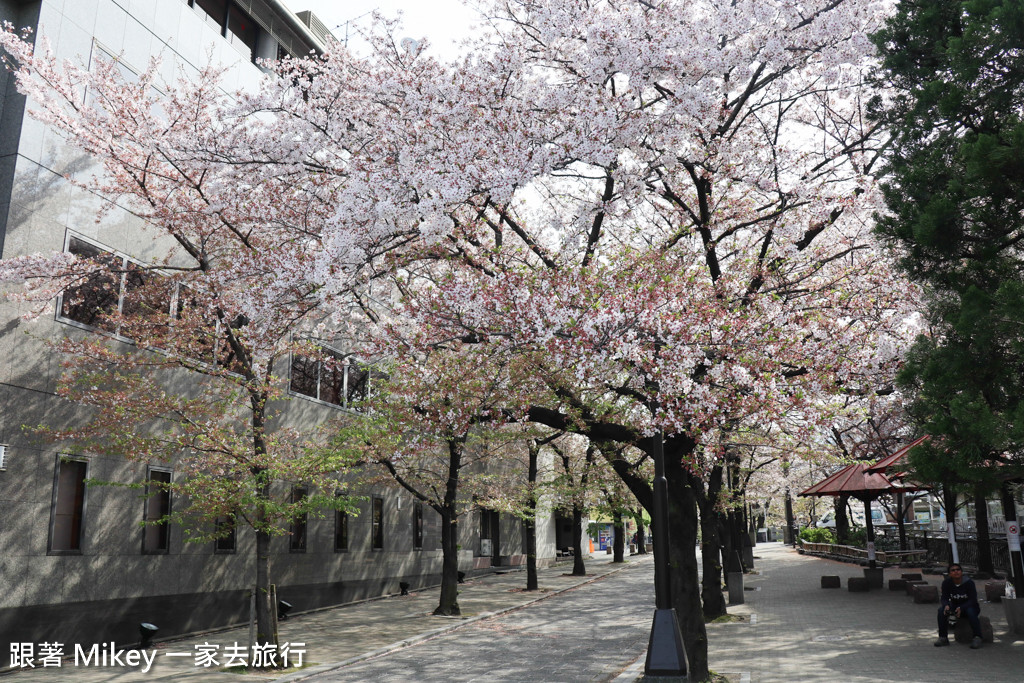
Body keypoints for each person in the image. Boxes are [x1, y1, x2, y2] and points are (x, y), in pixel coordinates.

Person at [935, 563, 983, 649]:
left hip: (969, 607)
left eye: (958, 569)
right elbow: (944, 597)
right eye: (953, 570)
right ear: (949, 574)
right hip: (955, 606)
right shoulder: (947, 583)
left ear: (961, 572)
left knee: (971, 612)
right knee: (941, 610)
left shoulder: (969, 583)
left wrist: (962, 608)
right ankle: (943, 637)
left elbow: (973, 600)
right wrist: (946, 605)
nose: (956, 572)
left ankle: (977, 637)